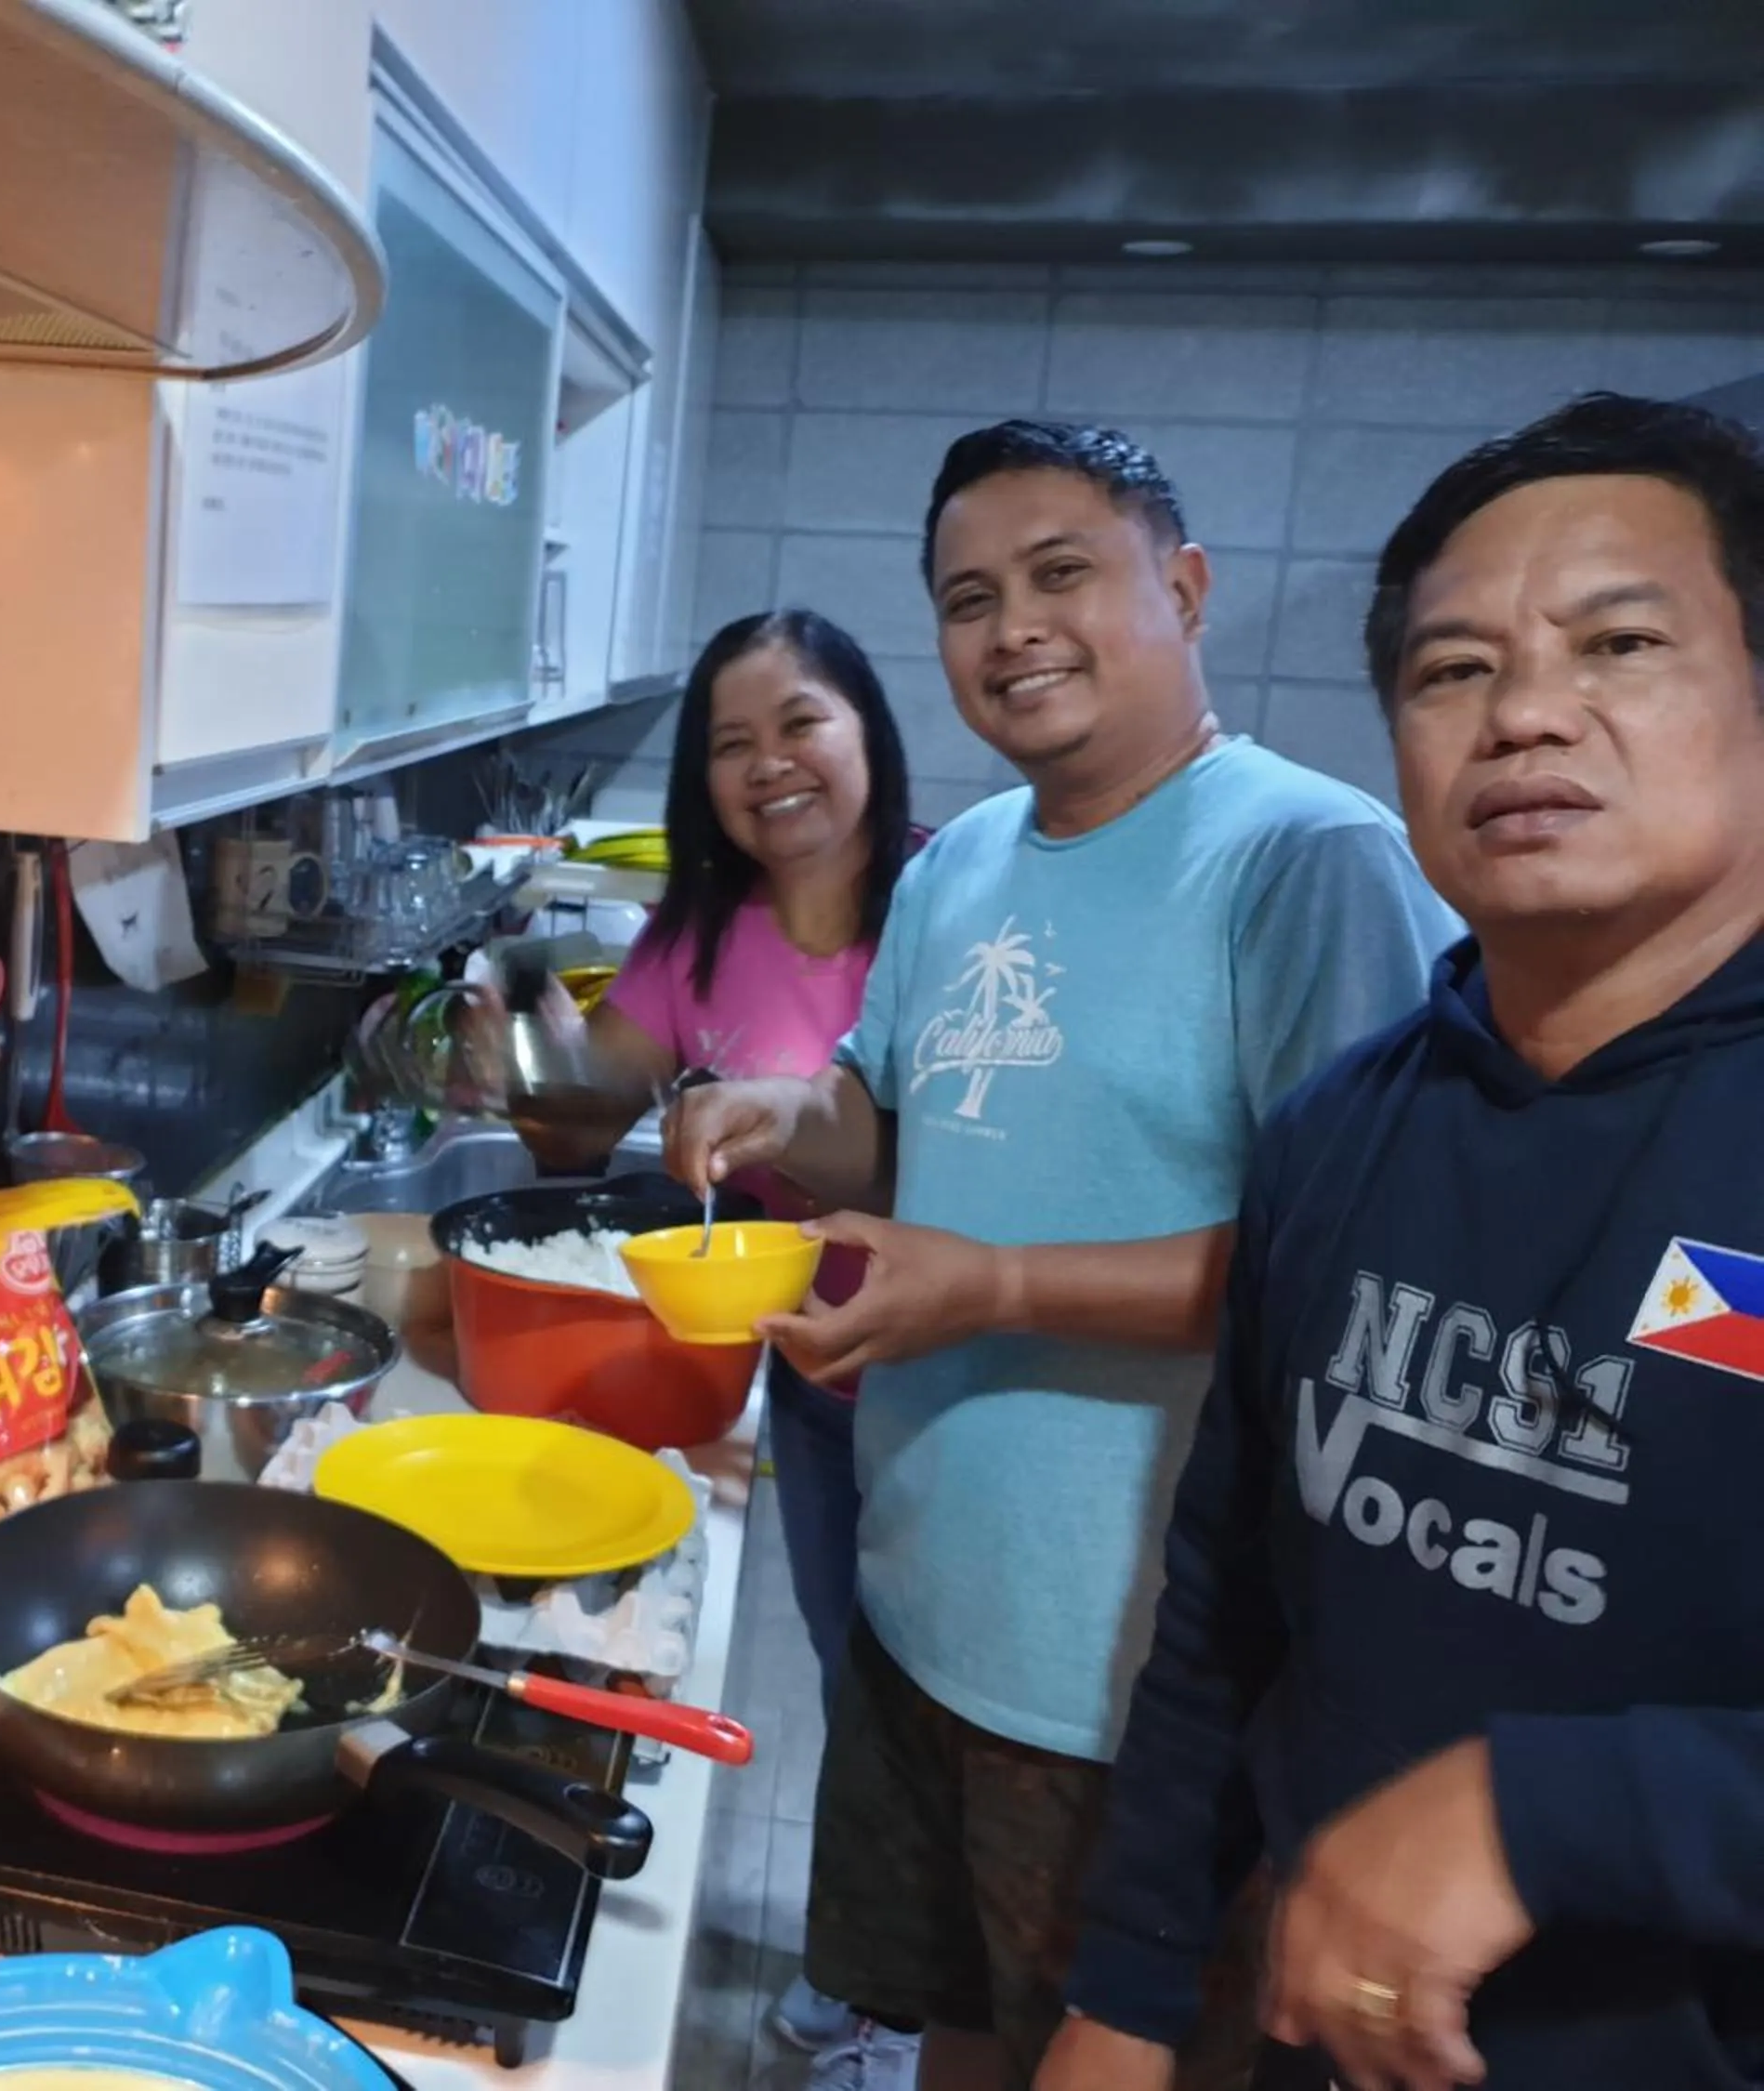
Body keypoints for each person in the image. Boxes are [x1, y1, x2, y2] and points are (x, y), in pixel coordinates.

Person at [665, 421, 1459, 2091]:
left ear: (1186, 588)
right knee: (956, 2031)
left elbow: (1356, 1277)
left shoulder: (1305, 857)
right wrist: (778, 1109)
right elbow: (884, 1119)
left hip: (1133, 1681)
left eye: (1060, 574)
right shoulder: (960, 862)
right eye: (969, 598)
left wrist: (1000, 1287)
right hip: (921, 1606)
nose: (1013, 626)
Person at [1040, 391, 1764, 2091]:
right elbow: (1228, 1609)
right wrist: (1129, 1989)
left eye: (1620, 643)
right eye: (1453, 669)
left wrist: (1548, 1810)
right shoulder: (1338, 1133)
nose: (1524, 712)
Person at [579, 608, 921, 2084]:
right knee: (859, 1675)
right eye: (732, 742)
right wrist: (508, 1027)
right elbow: (583, 1095)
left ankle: (914, 1995)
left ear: (866, 731)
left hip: (958, 1366)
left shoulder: (949, 904)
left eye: (801, 722)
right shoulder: (698, 939)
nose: (770, 763)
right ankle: (870, 1971)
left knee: (941, 1693)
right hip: (816, 1373)